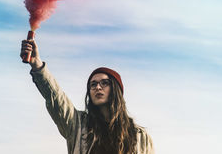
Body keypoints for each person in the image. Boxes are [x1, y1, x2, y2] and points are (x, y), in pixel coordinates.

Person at [20, 38, 154, 154]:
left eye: (104, 83)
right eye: (93, 84)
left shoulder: (139, 135)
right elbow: (55, 97)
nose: (98, 87)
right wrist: (37, 65)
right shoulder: (78, 124)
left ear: (116, 90)